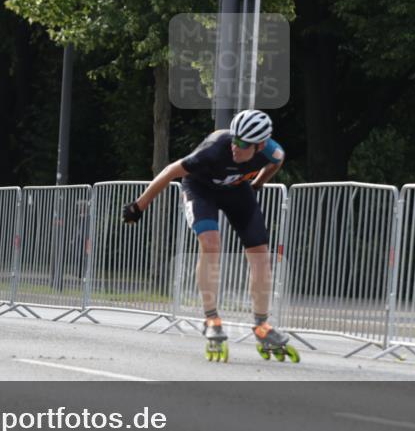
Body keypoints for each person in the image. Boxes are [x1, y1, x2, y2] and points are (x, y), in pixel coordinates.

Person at [121, 109, 298, 362]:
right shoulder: (215, 149)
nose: (235, 147)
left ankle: (261, 326)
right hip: (200, 189)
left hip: (236, 190)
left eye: (243, 144)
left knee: (261, 255)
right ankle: (212, 319)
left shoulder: (273, 151)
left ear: (259, 145)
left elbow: (276, 162)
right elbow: (171, 171)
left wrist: (257, 184)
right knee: (211, 243)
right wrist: (138, 206)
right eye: (235, 139)